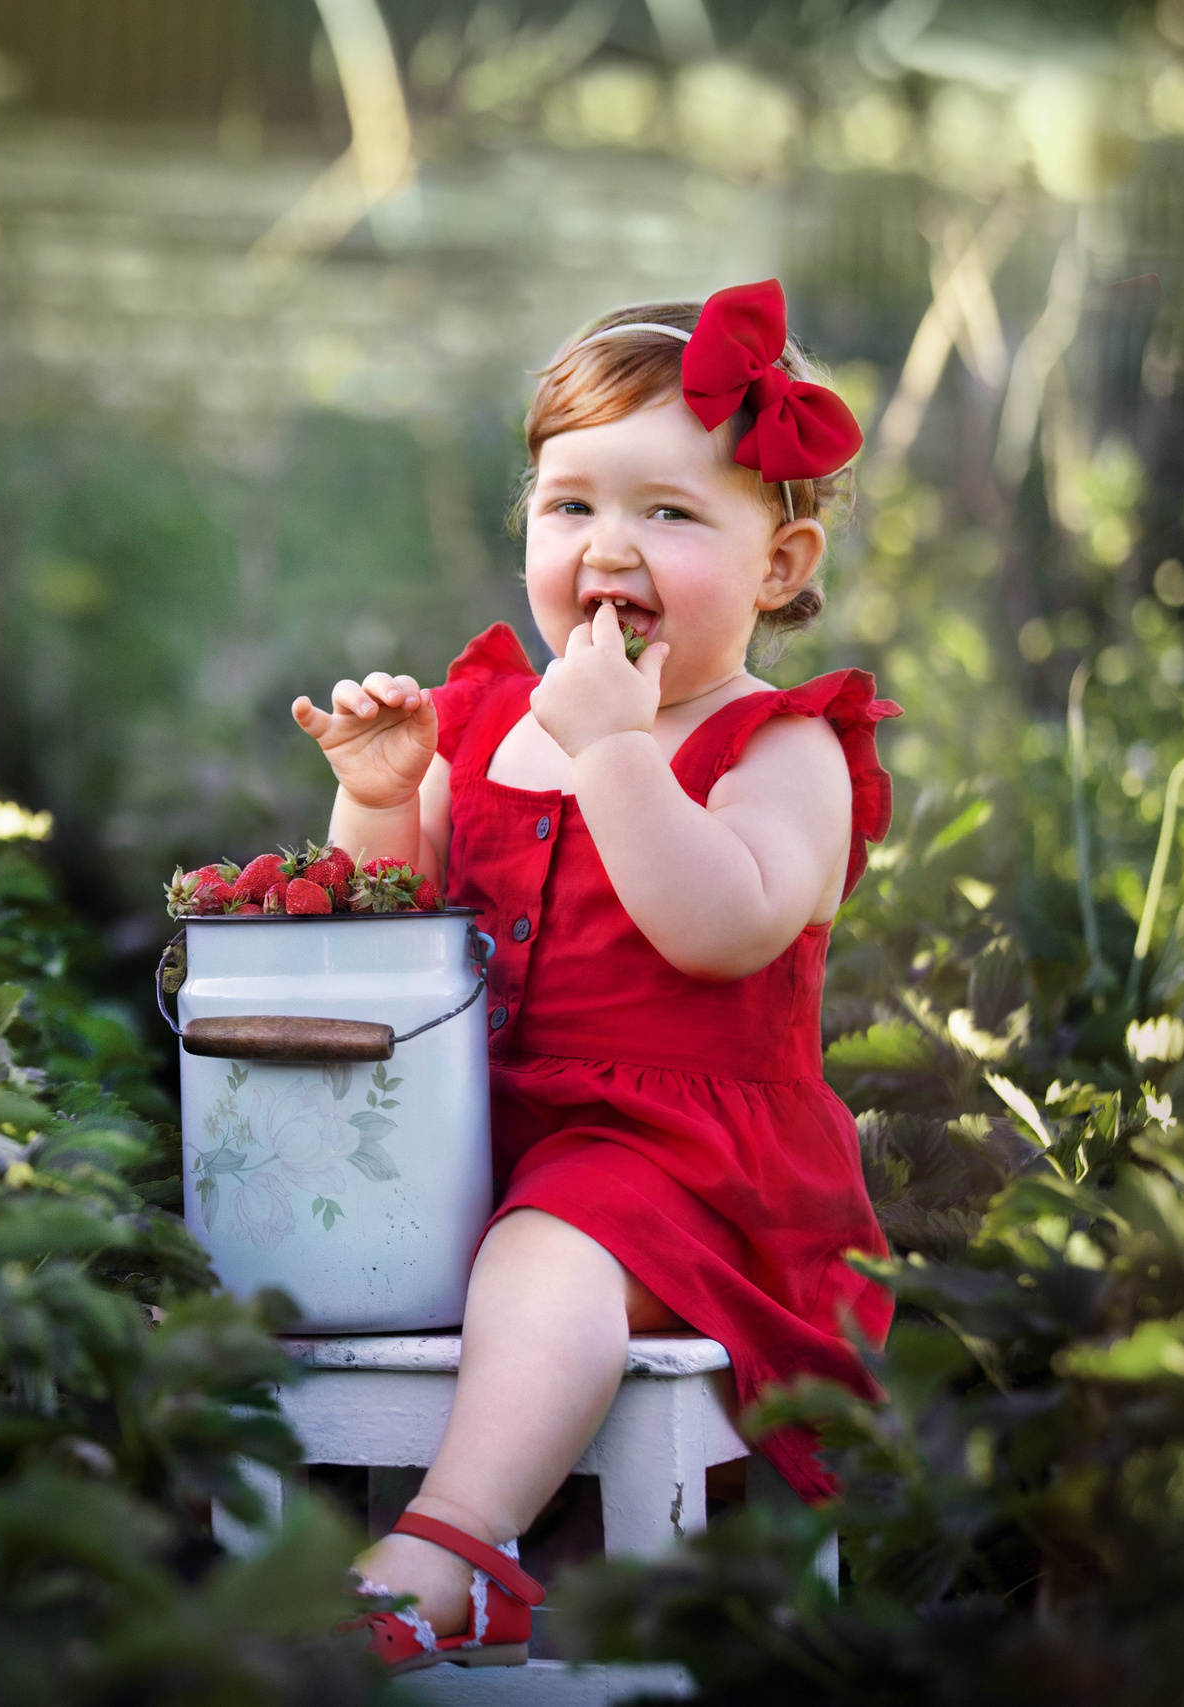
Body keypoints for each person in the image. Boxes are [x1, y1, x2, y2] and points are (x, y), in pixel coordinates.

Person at [289, 281, 898, 1673]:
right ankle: (243, 1532)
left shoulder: (781, 747)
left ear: (782, 565)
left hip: (684, 1168)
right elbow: (398, 928)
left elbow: (725, 925)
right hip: (469, 1142)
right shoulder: (492, 719)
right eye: (571, 507)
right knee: (299, 1219)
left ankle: (452, 1549)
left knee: (555, 1245)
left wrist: (621, 752)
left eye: (671, 515)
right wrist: (382, 802)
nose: (609, 546)